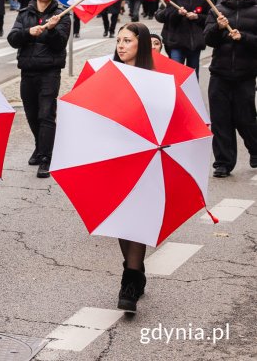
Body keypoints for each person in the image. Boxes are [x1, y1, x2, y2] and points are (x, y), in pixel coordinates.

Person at [7, 0, 71, 178]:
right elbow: (13, 39)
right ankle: (39, 146)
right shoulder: (24, 13)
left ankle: (46, 158)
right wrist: (27, 32)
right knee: (32, 114)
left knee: (46, 114)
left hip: (50, 72)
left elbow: (59, 44)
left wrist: (51, 31)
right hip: (28, 70)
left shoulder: (62, 15)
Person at [111, 22, 154, 312]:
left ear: (142, 44)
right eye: (119, 40)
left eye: (127, 40)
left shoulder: (155, 79)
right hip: (114, 154)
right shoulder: (109, 76)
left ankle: (130, 279)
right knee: (119, 218)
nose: (121, 45)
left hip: (145, 156)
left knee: (137, 216)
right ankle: (133, 268)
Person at [203, 0, 257, 178]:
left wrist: (243, 37)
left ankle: (255, 148)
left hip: (245, 75)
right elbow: (208, 39)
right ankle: (223, 163)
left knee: (246, 119)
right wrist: (218, 27)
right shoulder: (218, 10)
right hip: (220, 73)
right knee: (220, 120)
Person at [155, 0, 210, 77]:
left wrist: (197, 17)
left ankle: (192, 95)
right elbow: (167, 17)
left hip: (195, 44)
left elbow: (210, 19)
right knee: (176, 75)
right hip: (177, 42)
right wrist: (178, 13)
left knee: (192, 76)